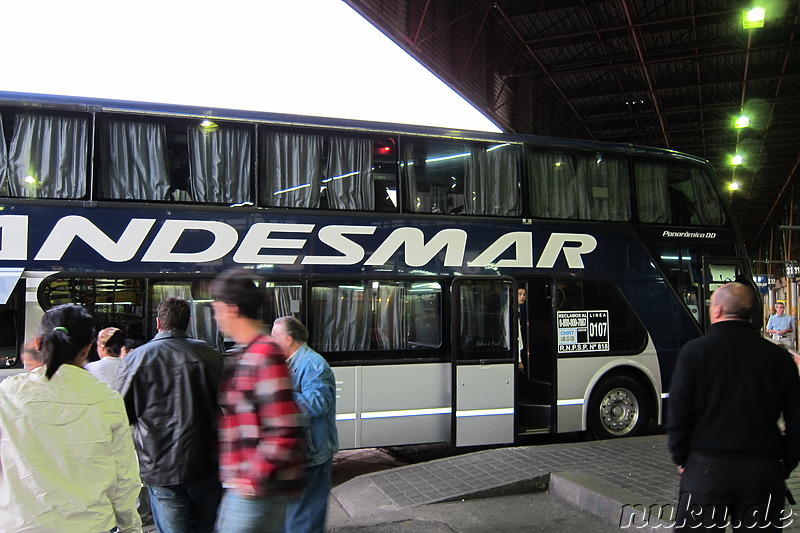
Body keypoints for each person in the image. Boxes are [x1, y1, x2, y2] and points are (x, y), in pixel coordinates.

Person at [667, 282, 800, 530]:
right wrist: (786, 463)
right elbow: (796, 421)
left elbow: (677, 414)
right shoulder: (779, 359)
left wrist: (682, 458)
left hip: (705, 469)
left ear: (716, 311)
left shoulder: (694, 352)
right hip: (763, 471)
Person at [0, 304, 142, 533]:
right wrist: (131, 527)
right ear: (87, 349)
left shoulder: (6, 395)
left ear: (38, 343)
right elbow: (125, 478)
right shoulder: (107, 400)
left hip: (20, 525)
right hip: (91, 526)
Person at [113, 297, 224, 533]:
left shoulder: (136, 358)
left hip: (159, 465)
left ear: (157, 323)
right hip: (206, 461)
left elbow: (120, 412)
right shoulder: (210, 354)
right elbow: (226, 406)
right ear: (188, 323)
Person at [210, 268, 305, 533]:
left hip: (256, 492)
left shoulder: (264, 355)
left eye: (216, 308)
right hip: (242, 486)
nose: (215, 315)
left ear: (230, 309)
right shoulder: (246, 353)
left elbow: (284, 428)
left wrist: (252, 478)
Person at [271, 316, 338, 533]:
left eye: (275, 336)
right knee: (294, 516)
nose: (271, 341)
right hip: (297, 453)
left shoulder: (314, 365)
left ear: (288, 339)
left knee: (307, 518)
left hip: (314, 454)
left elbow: (318, 403)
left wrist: (282, 397)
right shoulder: (286, 363)